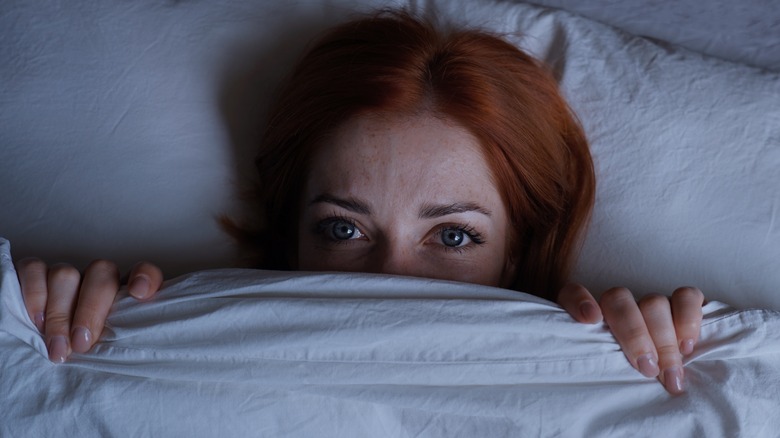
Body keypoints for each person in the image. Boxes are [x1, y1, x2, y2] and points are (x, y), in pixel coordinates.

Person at [15, 10, 703, 395]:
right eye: (343, 227)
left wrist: (662, 359)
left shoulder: (592, 369)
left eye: (454, 237)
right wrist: (41, 324)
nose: (389, 280)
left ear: (517, 247)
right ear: (289, 235)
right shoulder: (163, 344)